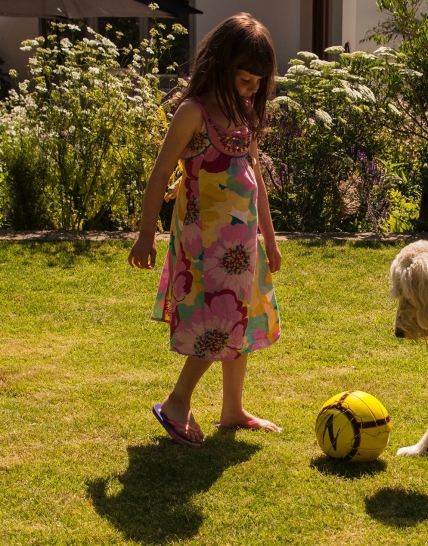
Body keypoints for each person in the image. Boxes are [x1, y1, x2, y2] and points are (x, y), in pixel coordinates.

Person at [128, 13, 282, 447]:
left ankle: (232, 409)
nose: (252, 89)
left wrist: (269, 239)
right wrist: (145, 235)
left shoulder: (245, 113)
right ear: (220, 66)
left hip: (242, 241)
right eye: (245, 79)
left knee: (243, 317)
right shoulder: (192, 113)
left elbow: (255, 179)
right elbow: (160, 175)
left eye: (258, 82)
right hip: (206, 243)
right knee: (218, 320)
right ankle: (177, 401)